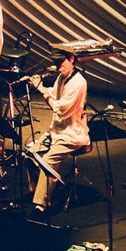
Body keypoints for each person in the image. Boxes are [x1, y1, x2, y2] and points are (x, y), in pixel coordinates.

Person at [27, 52, 89, 213]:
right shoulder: (62, 77)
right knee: (30, 154)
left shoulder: (78, 83)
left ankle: (41, 204)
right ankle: (38, 190)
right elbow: (53, 93)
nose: (59, 66)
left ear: (72, 59)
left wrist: (41, 89)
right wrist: (38, 83)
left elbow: (60, 110)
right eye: (56, 62)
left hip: (72, 134)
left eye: (62, 62)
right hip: (57, 130)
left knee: (47, 161)